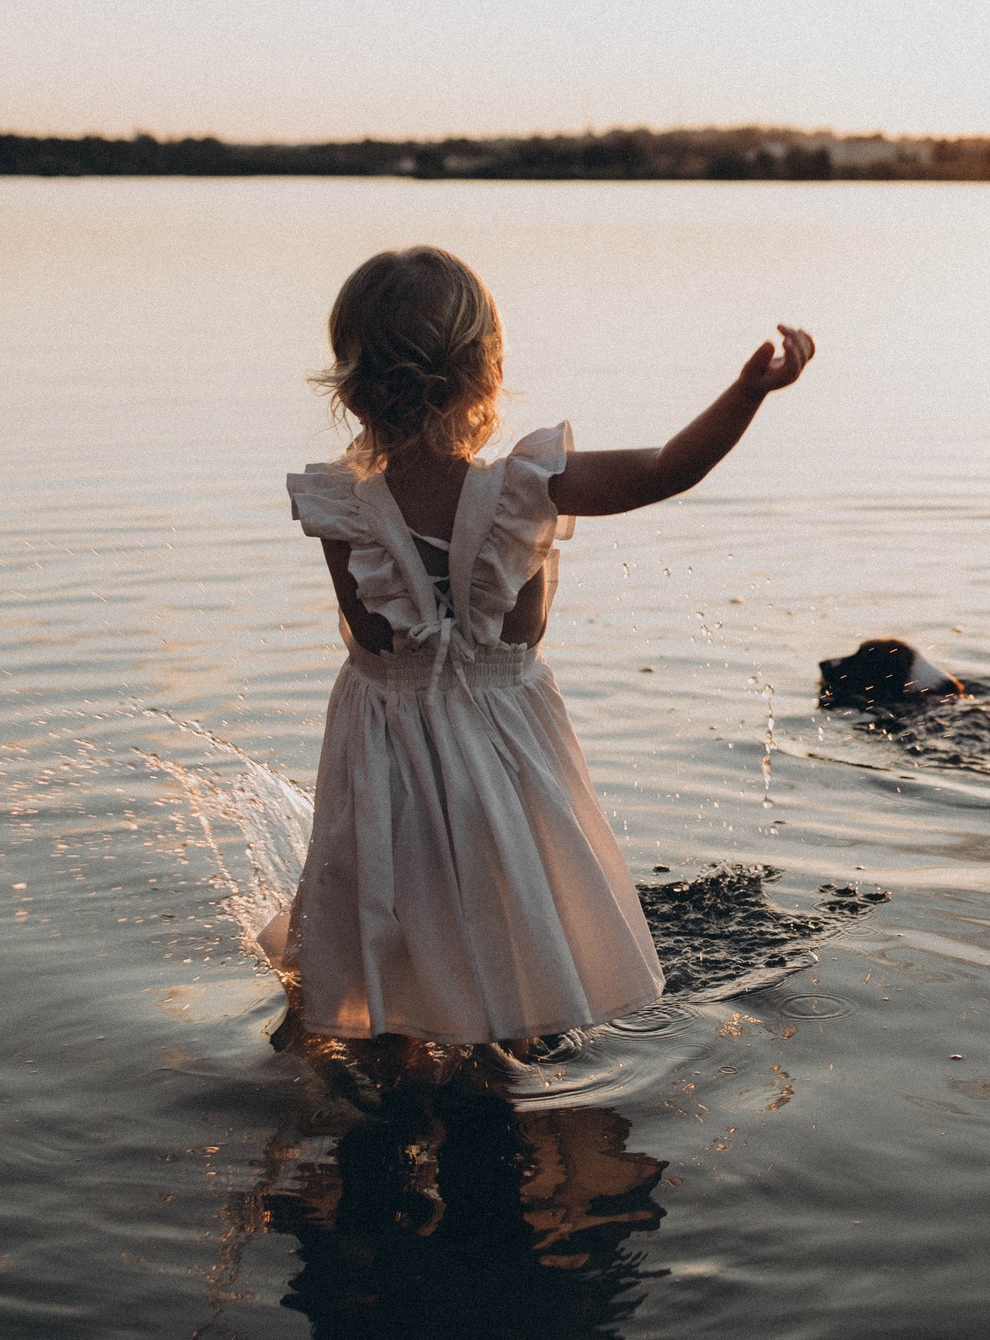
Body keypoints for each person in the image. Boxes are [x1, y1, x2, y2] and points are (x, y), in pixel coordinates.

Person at [260, 245, 813, 1085]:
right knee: (505, 927)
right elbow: (667, 469)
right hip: (508, 758)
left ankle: (383, 1084)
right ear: (485, 371)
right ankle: (499, 1073)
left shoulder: (340, 506)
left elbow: (375, 647)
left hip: (383, 756)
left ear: (354, 382)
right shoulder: (528, 486)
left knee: (386, 919)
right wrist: (747, 394)